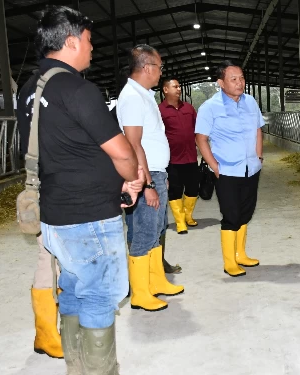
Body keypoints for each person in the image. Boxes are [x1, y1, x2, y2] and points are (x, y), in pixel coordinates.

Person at [17, 5, 144, 373]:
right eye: (89, 41)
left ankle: (78, 367)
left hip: (55, 216)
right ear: (71, 41)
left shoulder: (29, 90)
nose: (92, 49)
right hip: (90, 217)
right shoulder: (76, 88)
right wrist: (132, 178)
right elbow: (120, 150)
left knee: (72, 291)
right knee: (101, 297)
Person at [117, 45, 184, 311]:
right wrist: (147, 184)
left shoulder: (143, 95)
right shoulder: (132, 97)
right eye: (159, 67)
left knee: (156, 230)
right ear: (147, 68)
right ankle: (140, 293)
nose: (161, 72)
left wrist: (159, 175)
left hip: (156, 172)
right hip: (145, 176)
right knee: (144, 233)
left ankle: (156, 281)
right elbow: (133, 144)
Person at [195, 60, 263, 277]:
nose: (239, 82)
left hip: (251, 168)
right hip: (227, 170)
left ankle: (241, 253)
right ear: (220, 82)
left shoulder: (250, 102)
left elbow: (258, 130)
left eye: (241, 78)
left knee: (246, 212)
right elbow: (201, 138)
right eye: (233, 79)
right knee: (231, 215)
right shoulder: (210, 107)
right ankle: (229, 262)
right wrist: (214, 165)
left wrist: (259, 156)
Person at [158, 78, 200, 235]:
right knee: (175, 190)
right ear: (165, 89)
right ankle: (180, 221)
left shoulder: (188, 108)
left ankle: (188, 215)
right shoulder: (160, 110)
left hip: (191, 157)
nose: (179, 89)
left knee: (193, 188)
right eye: (175, 86)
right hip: (172, 159)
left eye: (179, 86)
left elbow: (198, 129)